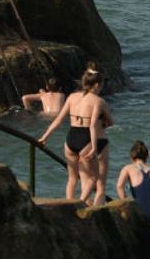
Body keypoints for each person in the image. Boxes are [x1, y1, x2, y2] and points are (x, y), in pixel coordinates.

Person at [37, 69, 105, 203]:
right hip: (85, 139)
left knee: (72, 178)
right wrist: (94, 147)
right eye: (102, 85)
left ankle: (69, 205)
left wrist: (45, 137)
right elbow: (92, 126)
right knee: (94, 177)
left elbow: (58, 120)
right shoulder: (97, 101)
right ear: (97, 85)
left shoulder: (72, 97)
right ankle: (79, 203)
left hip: (70, 139)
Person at [115, 140, 150, 228]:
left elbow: (119, 187)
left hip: (142, 213)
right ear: (147, 157)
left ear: (132, 157)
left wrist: (126, 205)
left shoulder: (128, 168)